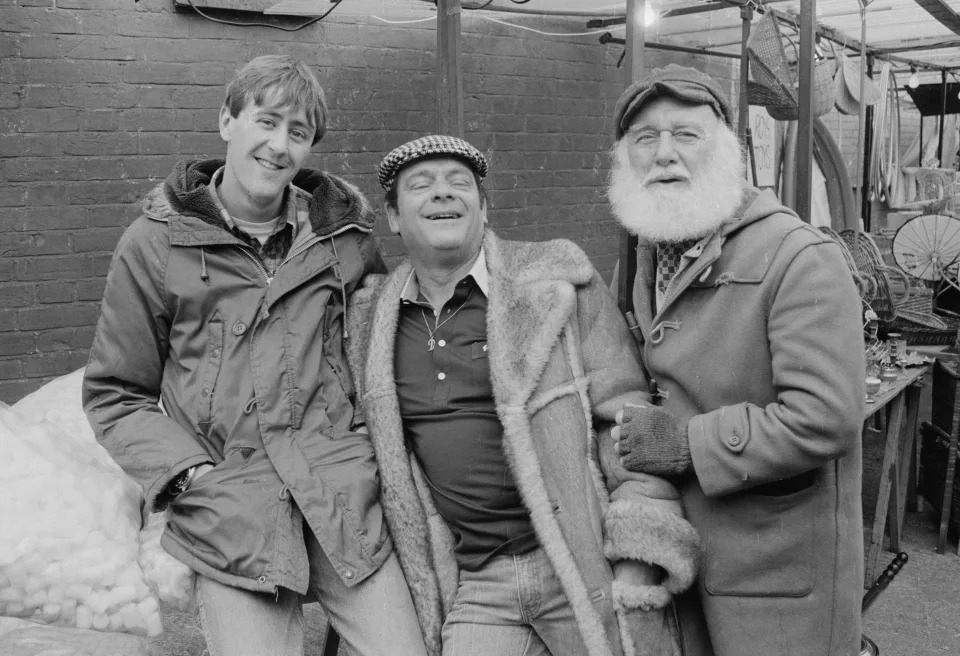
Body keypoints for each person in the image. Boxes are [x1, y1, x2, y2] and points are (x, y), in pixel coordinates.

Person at [82, 55, 427, 656]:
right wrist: (190, 476)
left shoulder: (345, 241)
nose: (278, 145)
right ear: (227, 120)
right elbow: (116, 394)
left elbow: (380, 355)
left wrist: (369, 455)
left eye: (298, 132)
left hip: (342, 494)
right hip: (232, 510)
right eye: (266, 122)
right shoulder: (156, 243)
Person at [341, 135, 701, 656]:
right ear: (394, 219)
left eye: (459, 183)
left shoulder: (555, 283)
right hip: (478, 582)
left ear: (484, 209)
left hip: (580, 560)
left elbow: (628, 416)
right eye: (421, 185)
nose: (443, 194)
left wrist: (634, 554)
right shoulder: (371, 320)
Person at [606, 64, 865, 656]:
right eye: (645, 138)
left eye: (686, 135)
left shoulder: (798, 257)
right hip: (683, 556)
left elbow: (826, 417)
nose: (664, 154)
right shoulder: (644, 256)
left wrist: (687, 444)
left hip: (775, 574)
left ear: (729, 151)